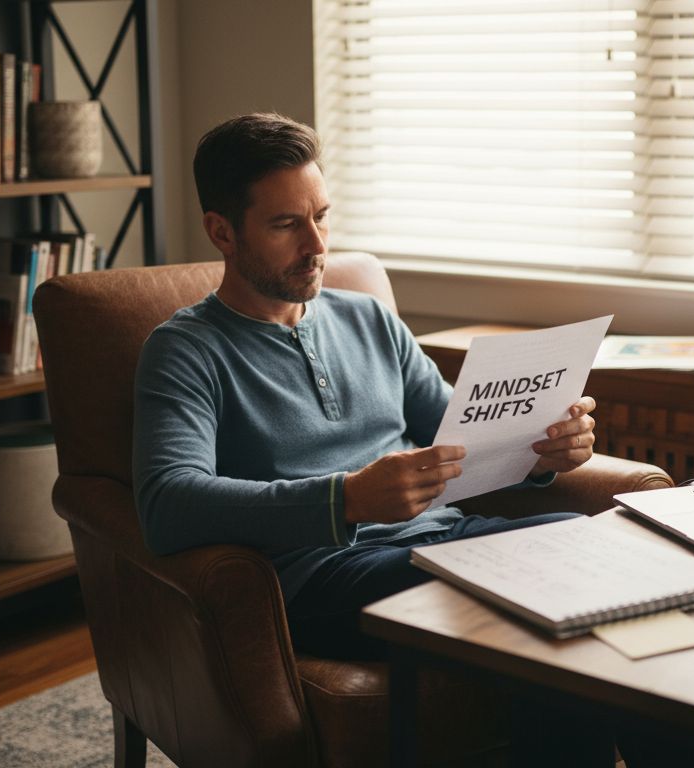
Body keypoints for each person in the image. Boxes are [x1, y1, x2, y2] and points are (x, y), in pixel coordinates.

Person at [130, 112, 599, 661]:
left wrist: (543, 448)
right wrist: (345, 499)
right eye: (286, 225)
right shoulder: (185, 349)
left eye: (322, 217)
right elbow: (167, 504)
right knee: (541, 591)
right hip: (326, 573)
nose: (316, 245)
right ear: (222, 231)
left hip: (445, 537)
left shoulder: (367, 319)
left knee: (584, 544)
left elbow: (462, 433)